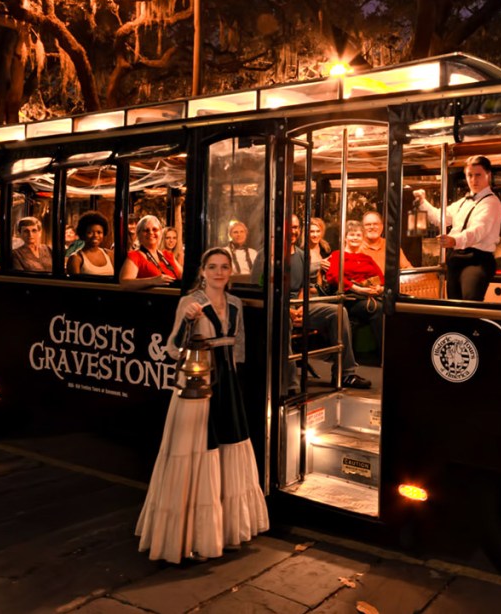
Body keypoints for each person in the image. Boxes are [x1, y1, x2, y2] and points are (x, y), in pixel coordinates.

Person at [136, 247, 270, 562]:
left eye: (224, 267)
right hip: (198, 387)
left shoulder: (235, 304)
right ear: (202, 271)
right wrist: (187, 322)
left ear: (230, 271)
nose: (219, 272)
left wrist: (235, 384)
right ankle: (193, 538)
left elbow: (238, 350)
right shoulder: (189, 302)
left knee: (229, 447)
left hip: (228, 387)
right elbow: (172, 349)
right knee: (198, 453)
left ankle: (227, 531)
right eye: (212, 267)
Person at [285, 216, 369, 389]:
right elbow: (263, 290)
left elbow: (303, 287)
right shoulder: (269, 255)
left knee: (338, 312)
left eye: (295, 227)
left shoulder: (302, 255)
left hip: (301, 304)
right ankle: (289, 383)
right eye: (289, 227)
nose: (292, 231)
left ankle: (345, 373)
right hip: (279, 306)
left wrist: (301, 307)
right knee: (282, 321)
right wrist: (288, 310)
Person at [415, 155, 501, 301]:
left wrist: (454, 240)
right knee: (454, 306)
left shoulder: (492, 203)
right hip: (456, 258)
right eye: (470, 175)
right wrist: (422, 202)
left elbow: (478, 231)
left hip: (477, 260)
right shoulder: (463, 202)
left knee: (469, 304)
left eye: (478, 175)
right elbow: (440, 218)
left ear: (488, 175)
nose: (473, 180)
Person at [325, 223, 385, 365]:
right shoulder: (338, 255)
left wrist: (379, 288)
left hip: (366, 296)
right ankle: (383, 355)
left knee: (388, 307)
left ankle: (384, 353)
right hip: (347, 297)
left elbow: (381, 278)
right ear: (345, 237)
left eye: (358, 235)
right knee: (378, 308)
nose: (355, 238)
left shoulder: (366, 258)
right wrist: (357, 289)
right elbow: (334, 277)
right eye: (351, 234)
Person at [121, 215, 181, 289]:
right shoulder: (135, 256)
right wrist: (153, 281)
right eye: (146, 230)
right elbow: (125, 283)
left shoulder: (167, 255)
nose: (151, 232)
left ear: (160, 233)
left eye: (155, 229)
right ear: (139, 234)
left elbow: (184, 277)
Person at [67, 211, 115, 277]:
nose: (95, 235)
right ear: (83, 234)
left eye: (99, 232)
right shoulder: (76, 259)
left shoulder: (109, 254)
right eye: (90, 232)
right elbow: (75, 283)